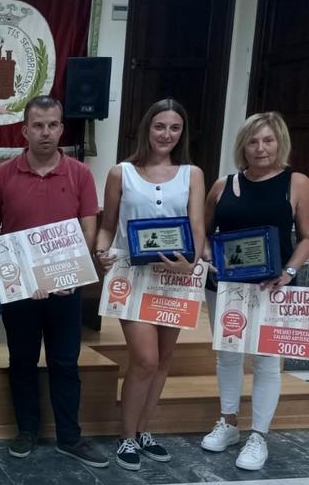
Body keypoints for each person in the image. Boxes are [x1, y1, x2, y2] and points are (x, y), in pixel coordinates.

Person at [0, 95, 108, 468]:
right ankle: (26, 430)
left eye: (53, 124)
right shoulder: (3, 175)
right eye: (38, 125)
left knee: (65, 363)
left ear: (61, 128)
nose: (46, 132)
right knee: (21, 360)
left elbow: (88, 230)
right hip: (21, 291)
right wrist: (15, 277)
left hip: (66, 288)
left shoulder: (80, 175)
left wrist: (68, 273)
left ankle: (70, 437)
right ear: (24, 130)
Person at [95, 98, 205, 471]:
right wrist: (101, 250)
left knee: (164, 361)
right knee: (145, 359)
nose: (167, 134)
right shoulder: (120, 172)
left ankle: (144, 431)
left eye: (175, 128)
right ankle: (126, 438)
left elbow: (197, 230)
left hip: (176, 277)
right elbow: (107, 226)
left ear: (182, 132)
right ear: (147, 128)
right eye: (160, 126)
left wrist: (193, 261)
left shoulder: (192, 173)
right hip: (131, 275)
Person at [199, 112, 309, 471]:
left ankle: (258, 435)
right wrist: (207, 259)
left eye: (268, 140)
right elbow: (203, 235)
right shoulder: (223, 184)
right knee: (228, 355)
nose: (260, 148)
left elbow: (307, 237)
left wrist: (290, 271)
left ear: (280, 143)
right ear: (242, 145)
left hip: (272, 288)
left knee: (266, 362)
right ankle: (228, 423)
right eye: (252, 141)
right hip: (225, 286)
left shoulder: (297, 182)